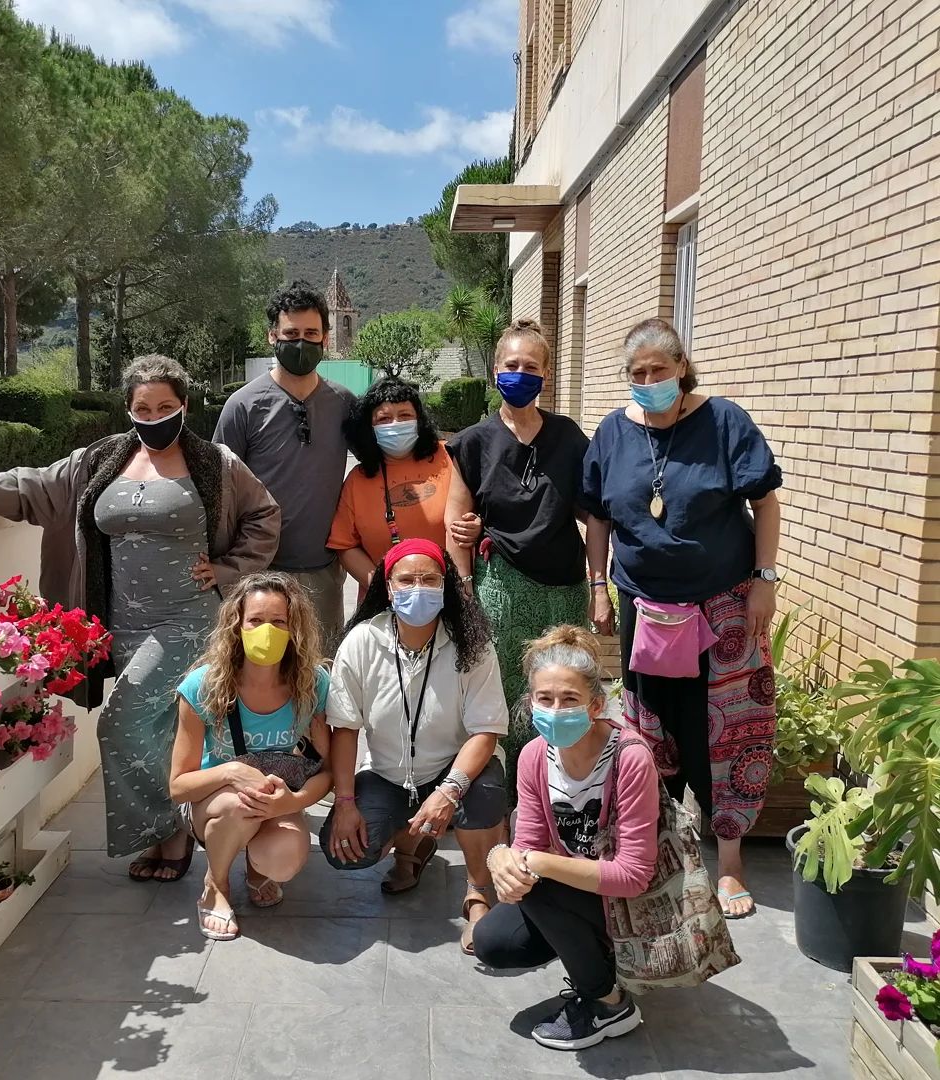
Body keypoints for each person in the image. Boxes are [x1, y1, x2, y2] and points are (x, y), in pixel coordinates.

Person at [0, 355, 280, 881]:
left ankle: (168, 833)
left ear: (185, 406)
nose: (155, 417)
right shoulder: (100, 460)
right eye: (143, 408)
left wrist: (228, 569)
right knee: (157, 728)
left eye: (165, 407)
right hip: (117, 622)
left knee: (121, 721)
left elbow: (265, 515)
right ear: (129, 410)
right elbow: (29, 485)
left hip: (188, 619)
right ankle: (169, 830)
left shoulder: (216, 463)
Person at [579, 317, 783, 919]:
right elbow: (598, 519)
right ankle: (654, 852)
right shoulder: (613, 432)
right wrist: (598, 587)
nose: (648, 382)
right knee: (650, 729)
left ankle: (730, 862)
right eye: (637, 373)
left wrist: (765, 580)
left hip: (723, 605)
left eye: (659, 370)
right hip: (645, 607)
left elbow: (765, 502)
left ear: (682, 368)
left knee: (725, 731)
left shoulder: (724, 422)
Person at [473, 626, 659, 1052]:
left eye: (570, 699)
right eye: (545, 699)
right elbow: (529, 842)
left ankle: (609, 1004)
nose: (556, 710)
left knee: (538, 880)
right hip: (578, 889)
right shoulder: (534, 756)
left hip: (630, 904)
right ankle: (592, 951)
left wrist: (534, 864)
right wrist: (501, 858)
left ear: (595, 705)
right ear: (530, 702)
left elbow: (634, 876)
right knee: (494, 941)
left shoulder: (629, 758)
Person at [322, 538, 508, 953]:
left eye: (429, 579)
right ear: (388, 588)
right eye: (407, 580)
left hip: (456, 771)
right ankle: (411, 844)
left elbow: (485, 731)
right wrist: (345, 802)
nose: (418, 588)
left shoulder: (472, 644)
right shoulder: (362, 641)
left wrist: (449, 791)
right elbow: (345, 728)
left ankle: (478, 893)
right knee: (346, 851)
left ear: (446, 586)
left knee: (484, 796)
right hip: (386, 774)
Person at [445, 318, 591, 787]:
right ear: (495, 371)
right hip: (501, 590)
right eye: (512, 365)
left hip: (565, 589)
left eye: (531, 366)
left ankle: (565, 791)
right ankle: (510, 796)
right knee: (506, 693)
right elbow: (456, 523)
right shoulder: (472, 443)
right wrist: (465, 590)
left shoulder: (568, 437)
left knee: (564, 691)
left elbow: (594, 513)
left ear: (546, 373)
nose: (520, 374)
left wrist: (603, 581)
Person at [170, 572, 331, 941]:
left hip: (278, 800)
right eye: (256, 620)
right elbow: (178, 786)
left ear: (294, 629)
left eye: (279, 622)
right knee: (235, 805)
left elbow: (328, 770)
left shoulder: (313, 684)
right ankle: (216, 884)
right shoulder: (203, 686)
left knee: (285, 858)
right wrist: (231, 772)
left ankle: (258, 870)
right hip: (213, 804)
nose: (267, 631)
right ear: (237, 626)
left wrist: (293, 802)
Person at [214, 281, 356, 655]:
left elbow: (376, 472)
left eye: (311, 333)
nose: (301, 343)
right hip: (258, 576)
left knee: (321, 673)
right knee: (259, 673)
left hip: (323, 574)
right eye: (291, 334)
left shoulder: (344, 404)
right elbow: (219, 490)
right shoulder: (243, 406)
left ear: (326, 338)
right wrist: (225, 567)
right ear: (272, 336)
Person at [328, 377, 479, 602]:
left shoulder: (451, 457)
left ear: (419, 420)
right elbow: (344, 545)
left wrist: (477, 525)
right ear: (369, 427)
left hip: (451, 597)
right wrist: (385, 588)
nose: (395, 424)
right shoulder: (357, 480)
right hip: (385, 602)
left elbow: (483, 509)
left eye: (405, 415)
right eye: (384, 418)